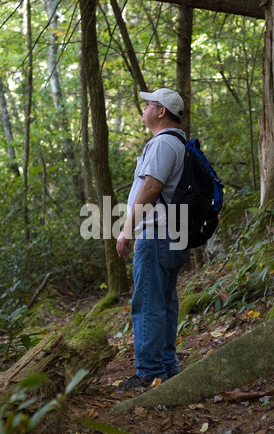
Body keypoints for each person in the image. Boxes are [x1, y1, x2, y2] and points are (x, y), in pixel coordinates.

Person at [116, 88, 189, 389]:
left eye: (148, 104)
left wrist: (126, 228)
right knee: (166, 302)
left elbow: (150, 189)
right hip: (175, 233)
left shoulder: (162, 145)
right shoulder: (181, 144)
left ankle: (149, 373)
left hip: (156, 234)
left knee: (147, 303)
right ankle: (167, 366)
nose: (143, 107)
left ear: (161, 112)